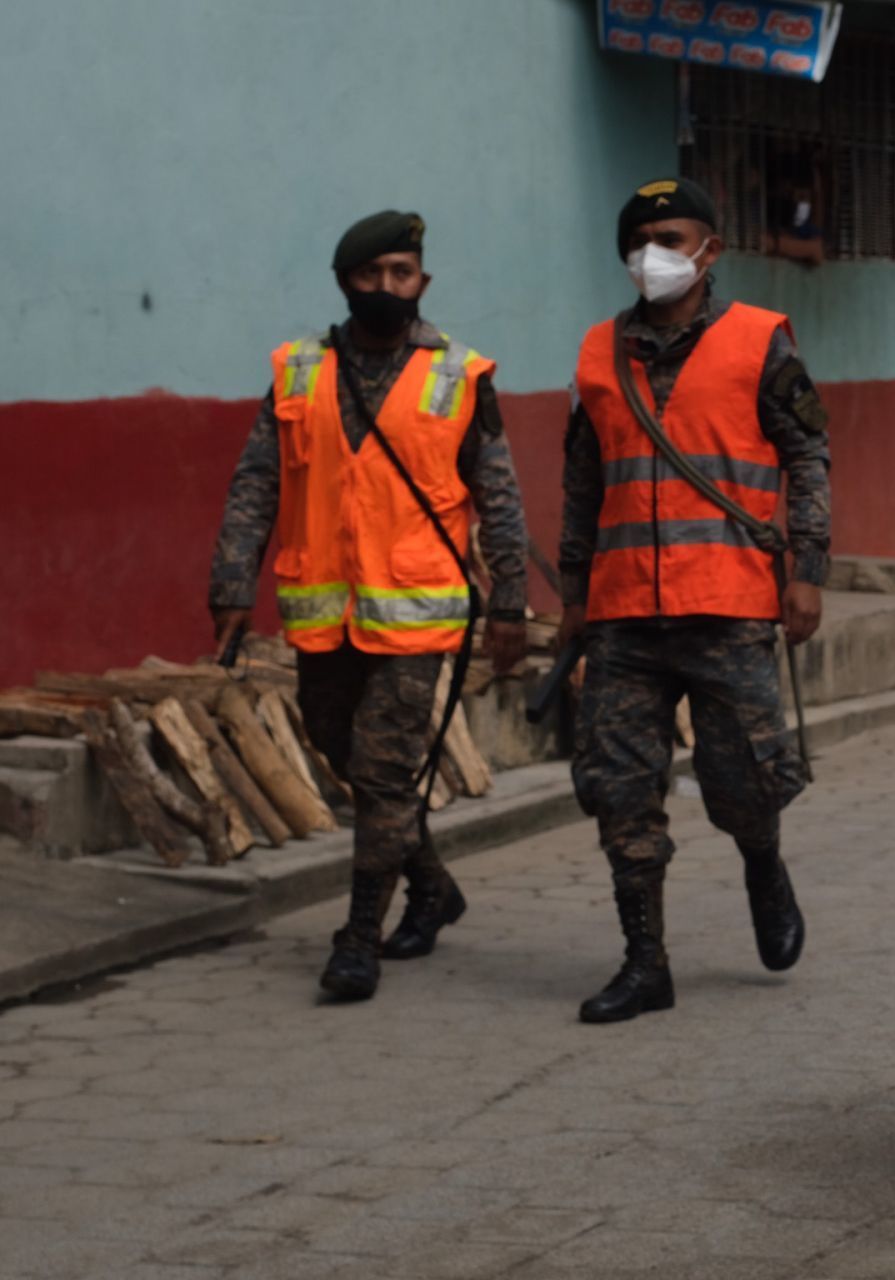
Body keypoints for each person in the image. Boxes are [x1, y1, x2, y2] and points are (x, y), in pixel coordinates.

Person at [209, 211, 530, 1001]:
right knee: (335, 743)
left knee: (385, 773)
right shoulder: (299, 370)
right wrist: (229, 583)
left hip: (418, 612)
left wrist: (512, 601)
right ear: (344, 280)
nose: (387, 286)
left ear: (422, 281)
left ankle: (357, 938)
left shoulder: (460, 374)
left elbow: (499, 492)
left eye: (402, 272)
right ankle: (431, 886)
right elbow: (257, 480)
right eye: (371, 273)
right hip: (324, 612)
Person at [558, 176, 829, 1025]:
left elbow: (808, 454)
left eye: (672, 238)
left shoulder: (761, 342)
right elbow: (580, 481)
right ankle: (646, 963)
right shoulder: (598, 353)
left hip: (729, 603)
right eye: (640, 241)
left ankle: (761, 858)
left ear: (710, 249)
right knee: (620, 789)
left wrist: (809, 568)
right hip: (625, 612)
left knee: (744, 779)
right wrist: (572, 596)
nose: (655, 255)